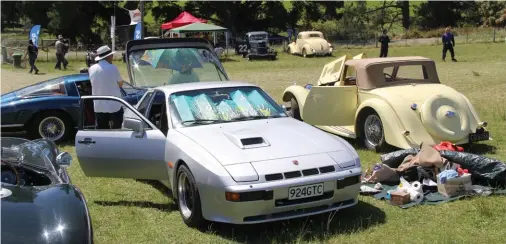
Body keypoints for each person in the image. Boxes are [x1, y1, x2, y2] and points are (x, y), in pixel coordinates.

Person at [89, 45, 125, 129]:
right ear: (108, 56)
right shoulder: (113, 68)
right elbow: (120, 83)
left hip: (99, 105)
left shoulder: (91, 69)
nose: (112, 57)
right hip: (114, 104)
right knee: (117, 130)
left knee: (102, 130)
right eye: (111, 55)